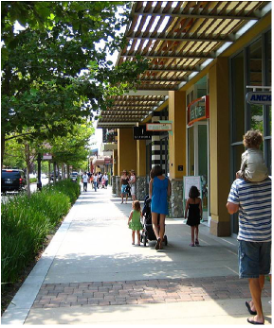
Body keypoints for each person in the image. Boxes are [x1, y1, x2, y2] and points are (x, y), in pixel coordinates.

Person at [226, 176, 271, 325]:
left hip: (249, 237)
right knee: (264, 272)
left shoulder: (239, 183)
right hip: (268, 236)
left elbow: (231, 209)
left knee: (252, 276)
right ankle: (253, 303)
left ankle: (259, 315)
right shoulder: (270, 181)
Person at [149, 165, 171, 250]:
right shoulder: (167, 180)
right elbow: (169, 193)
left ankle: (157, 237)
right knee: (162, 223)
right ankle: (161, 242)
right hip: (163, 202)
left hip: (155, 202)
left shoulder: (152, 180)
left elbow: (150, 194)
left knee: (154, 223)